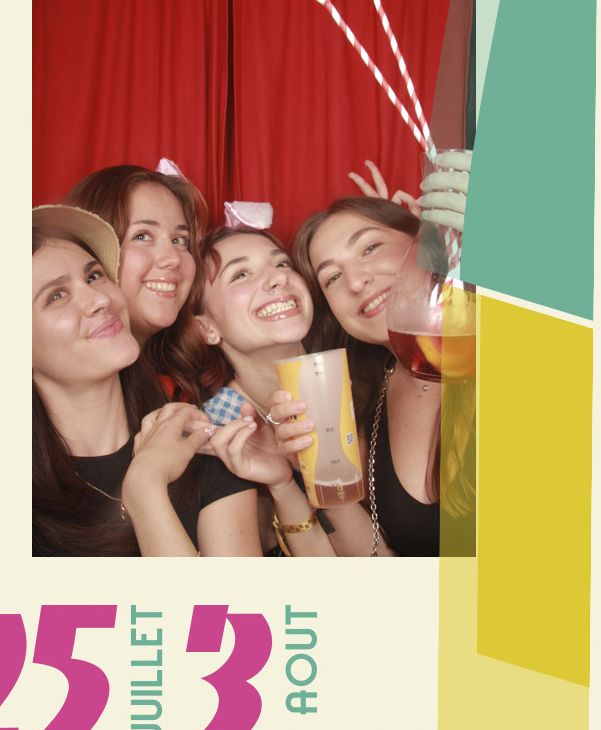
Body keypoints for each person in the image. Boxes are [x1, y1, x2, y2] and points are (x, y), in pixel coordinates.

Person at [32, 205, 259, 557]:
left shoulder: (201, 442)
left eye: (94, 276)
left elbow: (236, 597)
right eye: (56, 296)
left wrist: (146, 486)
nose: (100, 299)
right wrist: (145, 489)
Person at [285, 195, 475, 557]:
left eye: (370, 248)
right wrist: (307, 472)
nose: (357, 282)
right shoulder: (365, 405)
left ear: (424, 241)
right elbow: (381, 564)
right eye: (333, 277)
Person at [195, 226, 341, 557]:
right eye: (240, 274)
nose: (277, 278)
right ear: (206, 328)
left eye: (282, 263)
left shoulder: (363, 375)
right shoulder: (219, 436)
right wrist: (283, 484)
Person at [63, 165, 212, 404]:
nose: (173, 258)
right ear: (91, 248)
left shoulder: (185, 384)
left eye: (180, 240)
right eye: (142, 236)